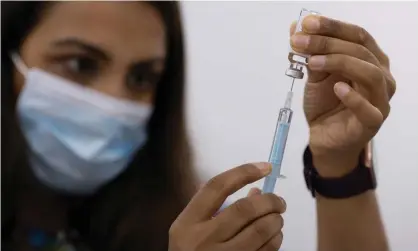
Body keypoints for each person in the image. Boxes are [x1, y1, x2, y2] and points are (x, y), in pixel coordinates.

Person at [1, 2, 396, 251]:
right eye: (79, 64)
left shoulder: (202, 227)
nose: (115, 101)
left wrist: (340, 162)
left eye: (142, 78)